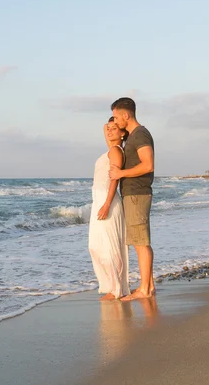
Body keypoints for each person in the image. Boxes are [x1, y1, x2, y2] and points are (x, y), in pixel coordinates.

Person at [108, 97, 155, 301]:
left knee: (140, 243)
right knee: (139, 241)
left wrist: (121, 174)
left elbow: (148, 165)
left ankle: (144, 289)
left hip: (137, 193)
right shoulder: (133, 136)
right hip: (134, 193)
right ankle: (148, 286)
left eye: (117, 116)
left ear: (126, 115)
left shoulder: (140, 135)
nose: (115, 121)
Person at [88, 118, 130, 300]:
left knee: (111, 247)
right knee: (95, 247)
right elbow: (105, 128)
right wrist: (113, 122)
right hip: (99, 200)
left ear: (123, 133)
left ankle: (117, 289)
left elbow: (114, 179)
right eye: (109, 128)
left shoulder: (115, 151)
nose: (110, 130)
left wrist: (106, 204)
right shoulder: (111, 148)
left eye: (115, 129)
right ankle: (111, 286)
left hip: (108, 200)